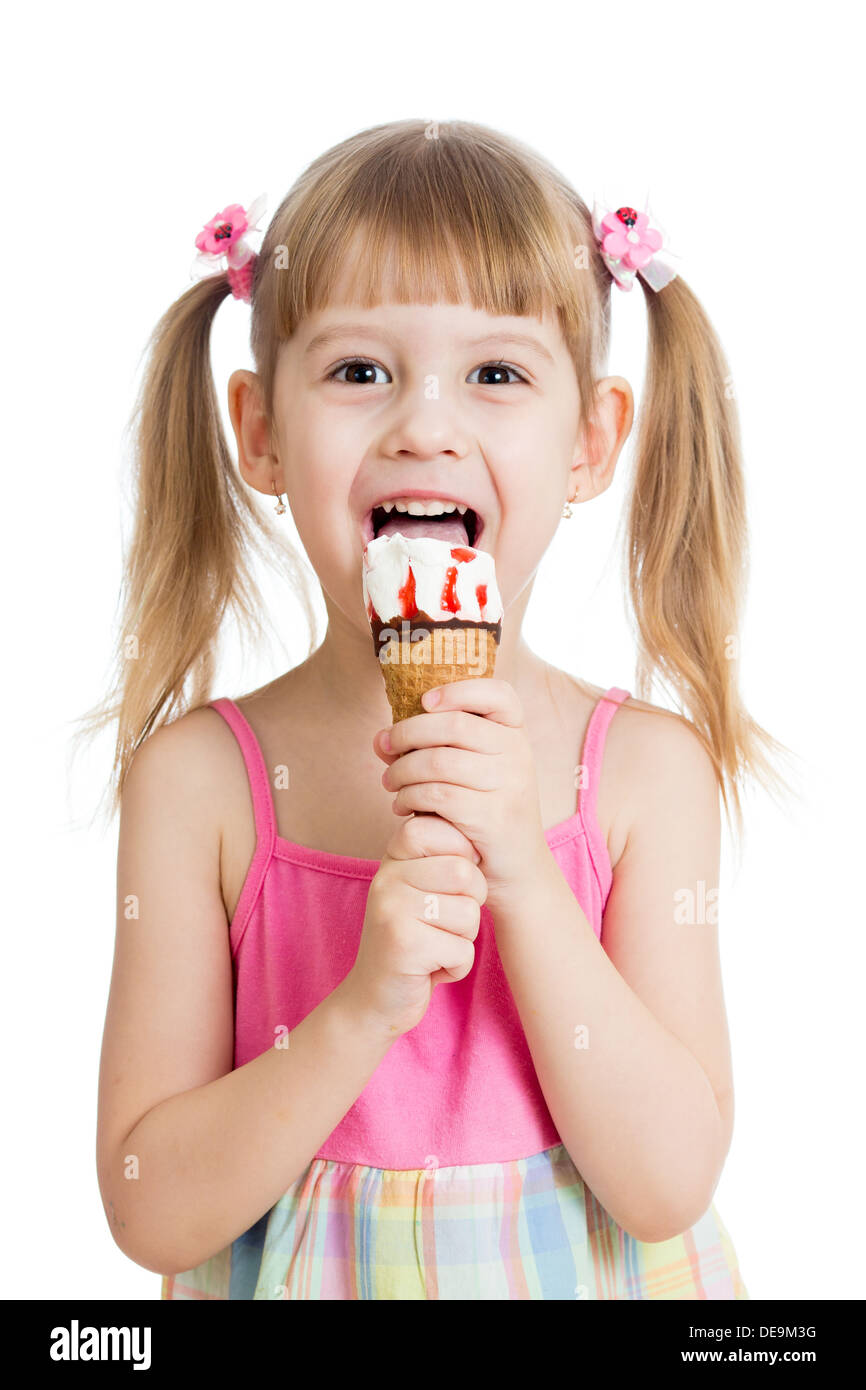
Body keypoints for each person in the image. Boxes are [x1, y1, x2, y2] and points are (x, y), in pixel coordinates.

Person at [87, 118, 794, 1299]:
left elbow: (667, 1183)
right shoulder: (201, 783)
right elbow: (152, 1207)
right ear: (258, 432)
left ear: (589, 441)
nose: (422, 422)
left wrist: (523, 873)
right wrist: (359, 1009)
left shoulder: (639, 776)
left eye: (495, 373)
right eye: (358, 371)